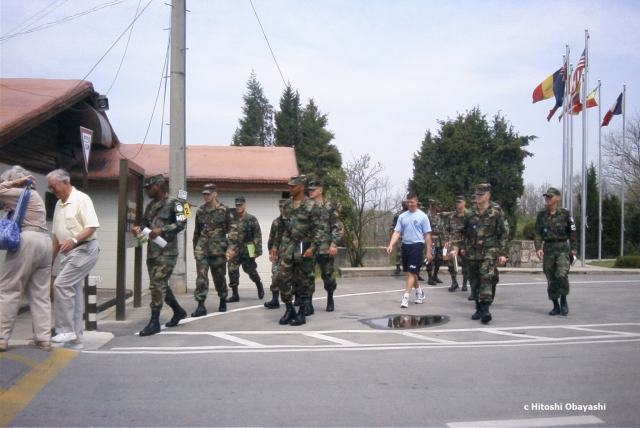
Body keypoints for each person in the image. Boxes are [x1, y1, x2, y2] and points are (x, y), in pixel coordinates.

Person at [0, 167, 52, 352]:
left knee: (9, 289)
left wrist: (12, 184)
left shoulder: (17, 192)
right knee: (39, 294)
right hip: (44, 241)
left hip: (27, 240)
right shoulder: (34, 196)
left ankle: (1, 337)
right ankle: (43, 338)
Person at [47, 169, 100, 348]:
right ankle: (76, 339)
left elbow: (92, 226)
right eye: (50, 188)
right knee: (75, 295)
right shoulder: (59, 205)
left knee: (61, 285)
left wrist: (74, 240)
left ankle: (64, 330)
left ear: (64, 182)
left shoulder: (81, 199)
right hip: (69, 253)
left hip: (84, 249)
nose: (52, 191)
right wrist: (51, 259)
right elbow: (57, 235)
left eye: (53, 187)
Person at [136, 174, 188, 336]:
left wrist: (162, 230)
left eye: (148, 188)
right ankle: (178, 311)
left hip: (168, 252)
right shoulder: (150, 206)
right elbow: (144, 224)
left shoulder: (177, 203)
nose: (146, 191)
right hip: (153, 251)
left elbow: (182, 223)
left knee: (157, 285)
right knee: (161, 285)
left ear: (157, 186)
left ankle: (154, 322)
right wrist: (140, 230)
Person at [449, 184, 509, 324]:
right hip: (472, 253)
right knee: (474, 280)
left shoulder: (496, 211)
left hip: (490, 251)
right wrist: (455, 248)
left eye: (481, 194)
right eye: (477, 194)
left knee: (486, 277)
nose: (478, 196)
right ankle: (478, 307)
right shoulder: (469, 214)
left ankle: (486, 309)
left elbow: (504, 233)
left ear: (488, 196)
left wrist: (503, 253)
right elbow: (459, 232)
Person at [270, 175, 323, 326]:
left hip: (304, 247)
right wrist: (275, 246)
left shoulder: (311, 206)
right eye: (289, 186)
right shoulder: (287, 205)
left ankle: (302, 312)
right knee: (281, 278)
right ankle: (289, 308)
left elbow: (318, 231)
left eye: (293, 186)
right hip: (287, 248)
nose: (290, 188)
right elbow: (280, 228)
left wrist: (313, 248)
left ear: (301, 187)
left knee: (303, 281)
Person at [192, 183, 237, 317]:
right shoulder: (200, 211)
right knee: (201, 277)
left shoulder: (224, 210)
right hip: (202, 249)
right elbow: (197, 231)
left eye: (208, 193)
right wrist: (195, 248)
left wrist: (231, 247)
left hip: (218, 249)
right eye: (204, 194)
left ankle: (223, 298)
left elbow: (233, 230)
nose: (205, 196)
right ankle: (201, 305)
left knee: (219, 277)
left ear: (215, 194)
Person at [534, 187, 577, 316]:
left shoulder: (565, 214)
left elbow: (573, 232)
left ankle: (563, 299)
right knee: (551, 278)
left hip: (562, 247)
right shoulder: (542, 215)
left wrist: (574, 248)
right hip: (549, 248)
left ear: (557, 198)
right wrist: (538, 247)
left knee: (561, 274)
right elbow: (537, 233)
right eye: (546, 197)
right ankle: (555, 305)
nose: (547, 199)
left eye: (550, 197)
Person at [386, 192, 433, 308]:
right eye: (408, 202)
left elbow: (427, 235)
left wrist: (428, 251)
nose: (410, 204)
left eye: (412, 202)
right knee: (410, 272)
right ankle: (419, 293)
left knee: (411, 272)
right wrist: (391, 244)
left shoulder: (423, 216)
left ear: (416, 202)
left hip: (417, 245)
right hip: (405, 245)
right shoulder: (402, 216)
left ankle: (405, 298)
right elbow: (397, 232)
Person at [308, 179, 344, 312]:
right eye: (309, 189)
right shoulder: (307, 207)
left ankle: (330, 297)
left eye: (313, 189)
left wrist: (334, 244)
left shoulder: (329, 207)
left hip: (325, 248)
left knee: (327, 276)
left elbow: (337, 227)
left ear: (320, 191)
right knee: (307, 276)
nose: (310, 192)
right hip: (309, 248)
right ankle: (308, 303)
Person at [227, 197, 263, 302]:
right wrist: (228, 248)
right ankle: (235, 294)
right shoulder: (232, 219)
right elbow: (229, 234)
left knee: (250, 270)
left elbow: (257, 235)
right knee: (232, 270)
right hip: (235, 249)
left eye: (240, 205)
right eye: (237, 205)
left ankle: (258, 284)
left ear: (244, 205)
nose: (238, 207)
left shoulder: (251, 219)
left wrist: (257, 250)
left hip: (248, 249)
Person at [264, 199, 287, 309]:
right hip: (278, 254)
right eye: (280, 206)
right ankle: (275, 299)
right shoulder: (276, 222)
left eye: (283, 206)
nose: (281, 208)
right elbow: (272, 238)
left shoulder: (292, 221)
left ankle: (297, 299)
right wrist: (271, 251)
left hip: (290, 254)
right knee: (275, 276)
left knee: (294, 277)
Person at [446, 196, 468, 293]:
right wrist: (446, 241)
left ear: (464, 203)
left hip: (465, 242)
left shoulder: (469, 215)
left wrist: (466, 246)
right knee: (451, 261)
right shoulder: (452, 216)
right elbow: (447, 230)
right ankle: (454, 282)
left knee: (466, 263)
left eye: (460, 202)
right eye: (457, 202)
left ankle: (464, 283)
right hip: (454, 242)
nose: (458, 204)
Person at [426, 200, 444, 285]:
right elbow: (426, 231)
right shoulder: (428, 217)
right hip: (432, 240)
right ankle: (429, 277)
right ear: (434, 206)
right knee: (430, 260)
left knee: (439, 259)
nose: (440, 207)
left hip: (439, 240)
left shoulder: (438, 216)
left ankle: (435, 275)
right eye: (438, 206)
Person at [390, 200, 408, 275]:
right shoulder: (398, 214)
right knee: (399, 252)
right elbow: (393, 224)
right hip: (400, 235)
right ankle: (398, 267)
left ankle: (406, 266)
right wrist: (391, 234)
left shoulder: (411, 214)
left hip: (408, 235)